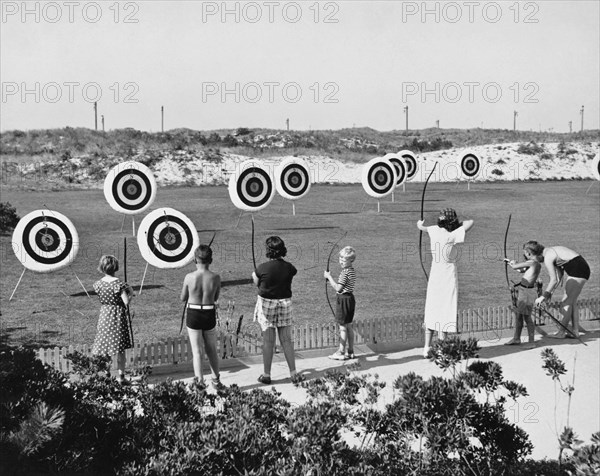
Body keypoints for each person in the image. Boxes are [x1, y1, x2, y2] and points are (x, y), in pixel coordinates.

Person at [417, 208, 474, 358]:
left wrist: (420, 223)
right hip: (448, 275)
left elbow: (420, 227)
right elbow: (470, 222)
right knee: (445, 310)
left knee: (432, 310)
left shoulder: (434, 230)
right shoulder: (453, 234)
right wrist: (457, 223)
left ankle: (426, 348)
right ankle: (442, 348)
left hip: (435, 274)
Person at [253, 236, 300, 384]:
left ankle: (267, 375)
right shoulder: (289, 267)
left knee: (268, 341)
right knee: (286, 340)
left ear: (268, 250)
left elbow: (258, 282)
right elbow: (291, 272)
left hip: (267, 305)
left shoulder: (261, 268)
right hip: (284, 304)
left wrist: (256, 276)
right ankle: (293, 373)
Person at [180, 245, 222, 387]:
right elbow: (215, 297)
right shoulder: (216, 277)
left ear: (195, 260)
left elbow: (182, 297)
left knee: (197, 351)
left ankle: (200, 383)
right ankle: (216, 380)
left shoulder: (189, 277)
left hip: (194, 313)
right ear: (210, 260)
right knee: (211, 349)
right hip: (209, 312)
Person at [531, 243, 591, 339]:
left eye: (531, 258)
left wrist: (543, 296)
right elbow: (559, 276)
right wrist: (550, 292)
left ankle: (561, 332)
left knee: (566, 303)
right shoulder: (552, 251)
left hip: (578, 271)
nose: (535, 261)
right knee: (572, 302)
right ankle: (575, 332)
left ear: (533, 254)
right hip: (582, 268)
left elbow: (553, 279)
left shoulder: (548, 257)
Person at [92, 255, 134, 383]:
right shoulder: (119, 284)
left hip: (104, 316)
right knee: (120, 349)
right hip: (117, 318)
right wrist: (130, 294)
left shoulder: (98, 284)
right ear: (115, 267)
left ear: (102, 268)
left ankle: (107, 376)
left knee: (105, 348)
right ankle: (121, 377)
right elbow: (126, 302)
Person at [504, 242, 543, 346]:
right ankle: (516, 338)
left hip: (526, 292)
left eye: (525, 253)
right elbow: (520, 270)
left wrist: (511, 263)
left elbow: (515, 267)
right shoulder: (536, 263)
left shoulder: (532, 262)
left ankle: (531, 342)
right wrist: (511, 263)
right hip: (526, 291)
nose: (524, 255)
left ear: (528, 253)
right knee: (519, 315)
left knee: (527, 317)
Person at [324, 246, 357, 360]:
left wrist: (329, 277)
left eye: (344, 259)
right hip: (350, 299)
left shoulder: (344, 273)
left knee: (343, 327)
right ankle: (351, 351)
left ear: (351, 260)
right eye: (340, 258)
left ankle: (341, 352)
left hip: (343, 299)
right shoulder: (351, 270)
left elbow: (338, 288)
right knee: (348, 326)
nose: (341, 261)